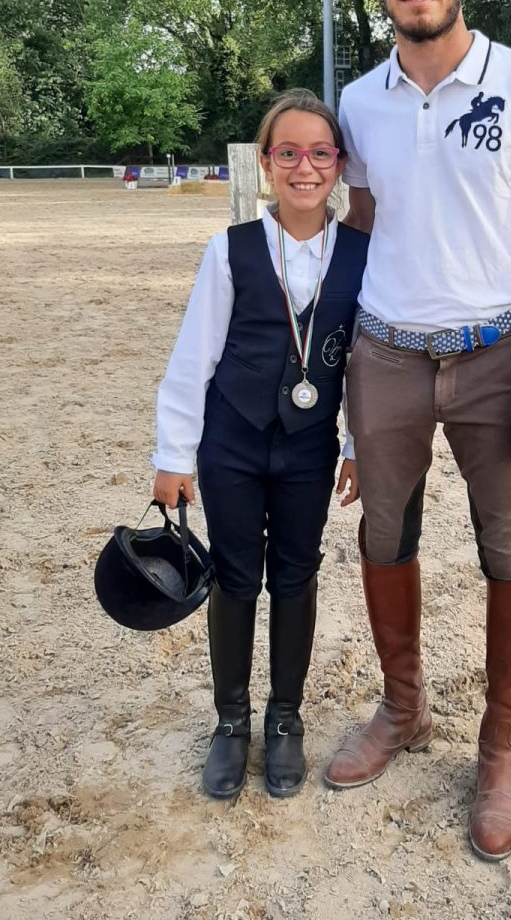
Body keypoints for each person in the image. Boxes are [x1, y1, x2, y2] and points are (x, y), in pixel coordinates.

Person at [323, 0, 511, 862]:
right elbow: (357, 230)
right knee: (384, 534)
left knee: (508, 546)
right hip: (384, 355)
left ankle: (500, 747)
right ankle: (404, 709)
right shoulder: (357, 103)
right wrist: (339, 384)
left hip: (492, 358)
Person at [151, 89, 367, 802]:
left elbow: (365, 367)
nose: (305, 167)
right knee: (236, 575)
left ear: (339, 164)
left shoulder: (362, 256)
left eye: (320, 153)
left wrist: (357, 446)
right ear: (267, 163)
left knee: (296, 576)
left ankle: (284, 718)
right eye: (289, 153)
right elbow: (194, 357)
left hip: (309, 449)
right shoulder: (231, 249)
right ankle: (231, 720)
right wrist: (173, 456)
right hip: (232, 445)